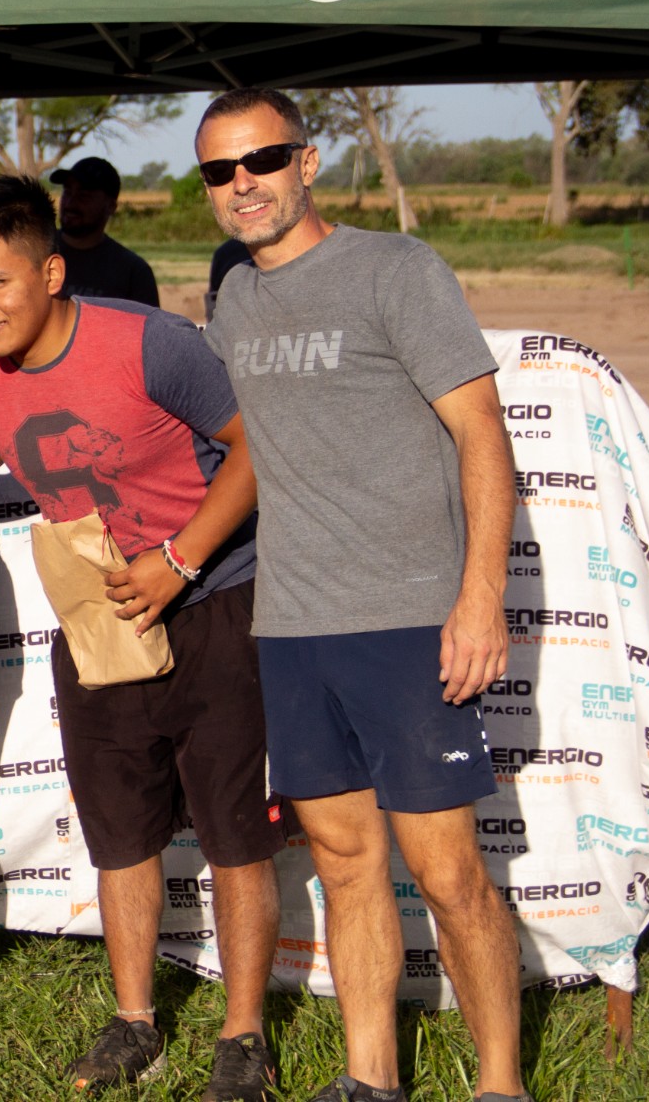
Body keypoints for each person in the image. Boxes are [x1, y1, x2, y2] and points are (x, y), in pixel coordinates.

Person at [196, 89, 527, 1102]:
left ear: (308, 162)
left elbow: (482, 433)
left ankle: (501, 1084)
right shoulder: (232, 296)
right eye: (220, 171)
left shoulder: (397, 270)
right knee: (345, 862)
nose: (243, 183)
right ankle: (370, 1077)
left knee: (447, 872)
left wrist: (479, 596)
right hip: (293, 625)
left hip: (409, 618)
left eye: (262, 160)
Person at [0, 175, 282, 1102]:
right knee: (121, 838)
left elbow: (255, 445)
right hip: (96, 623)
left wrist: (182, 557)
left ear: (51, 271)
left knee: (234, 833)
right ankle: (136, 1021)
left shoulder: (149, 342)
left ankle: (244, 1036)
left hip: (215, 603)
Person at [47, 156, 159, 307]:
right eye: (67, 191)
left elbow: (149, 328)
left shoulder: (133, 272)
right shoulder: (36, 252)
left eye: (84, 195)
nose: (71, 202)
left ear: (111, 206)